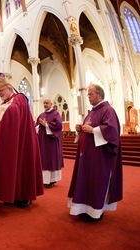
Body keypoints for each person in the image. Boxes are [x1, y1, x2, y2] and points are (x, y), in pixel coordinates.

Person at [0, 74, 44, 208]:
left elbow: (13, 111)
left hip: (23, 142)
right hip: (13, 141)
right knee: (10, 167)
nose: (0, 94)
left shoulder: (19, 98)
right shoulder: (5, 103)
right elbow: (1, 120)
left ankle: (24, 196)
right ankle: (10, 195)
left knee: (22, 167)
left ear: (9, 88)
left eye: (1, 91)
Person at [67, 84, 123, 222]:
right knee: (86, 180)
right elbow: (88, 127)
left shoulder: (108, 110)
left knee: (97, 182)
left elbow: (112, 131)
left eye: (91, 94)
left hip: (100, 157)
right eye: (88, 95)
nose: (89, 97)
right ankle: (83, 208)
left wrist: (93, 131)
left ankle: (96, 212)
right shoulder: (91, 112)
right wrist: (80, 129)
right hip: (87, 155)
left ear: (99, 94)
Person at [35, 98, 64, 188]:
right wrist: (39, 126)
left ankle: (52, 180)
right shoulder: (42, 114)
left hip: (51, 142)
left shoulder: (55, 114)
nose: (45, 105)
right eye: (44, 103)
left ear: (51, 104)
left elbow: (59, 126)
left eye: (47, 103)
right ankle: (44, 180)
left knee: (50, 159)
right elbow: (36, 125)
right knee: (43, 159)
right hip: (42, 141)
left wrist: (46, 125)